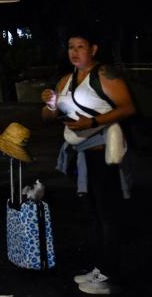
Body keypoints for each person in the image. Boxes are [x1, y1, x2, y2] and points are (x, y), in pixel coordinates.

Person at [41, 30, 135, 295]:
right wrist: (49, 104)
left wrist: (91, 122)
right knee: (93, 214)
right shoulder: (65, 81)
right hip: (79, 155)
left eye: (80, 46)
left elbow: (128, 108)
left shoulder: (104, 75)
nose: (74, 51)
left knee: (107, 215)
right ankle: (99, 268)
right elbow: (47, 117)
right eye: (71, 46)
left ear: (93, 49)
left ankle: (109, 274)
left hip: (104, 154)